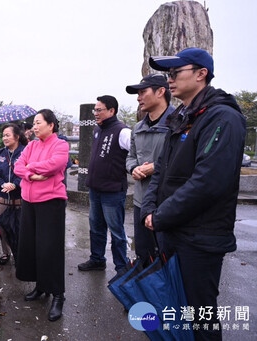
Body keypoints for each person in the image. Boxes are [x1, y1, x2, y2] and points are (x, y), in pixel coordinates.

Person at [141, 47, 246, 341]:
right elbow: (160, 170)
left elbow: (209, 182)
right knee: (176, 311)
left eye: (175, 73)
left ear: (201, 74)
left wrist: (160, 215)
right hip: (173, 231)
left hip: (200, 239)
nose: (169, 80)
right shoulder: (184, 117)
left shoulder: (222, 117)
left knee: (200, 317)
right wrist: (150, 208)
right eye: (167, 74)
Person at [13, 109, 69, 322]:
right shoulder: (32, 146)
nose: (34, 127)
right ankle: (41, 286)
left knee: (50, 248)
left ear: (50, 125)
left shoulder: (61, 145)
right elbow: (18, 166)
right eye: (33, 124)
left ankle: (58, 294)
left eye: (38, 123)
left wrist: (32, 167)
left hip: (50, 202)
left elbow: (55, 165)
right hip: (29, 202)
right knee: (32, 246)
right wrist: (30, 172)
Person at [77, 95, 131, 274]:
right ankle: (97, 259)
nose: (96, 113)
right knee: (96, 227)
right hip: (95, 188)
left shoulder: (123, 131)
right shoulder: (97, 130)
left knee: (116, 231)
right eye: (95, 110)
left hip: (113, 191)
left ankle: (122, 268)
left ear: (111, 111)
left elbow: (135, 155)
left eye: (99, 110)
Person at [125, 74, 175, 263]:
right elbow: (130, 157)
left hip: (167, 201)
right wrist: (133, 169)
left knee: (167, 256)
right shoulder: (137, 127)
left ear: (161, 91)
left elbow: (187, 160)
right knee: (144, 254)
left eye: (142, 92)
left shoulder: (178, 124)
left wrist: (156, 167)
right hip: (140, 200)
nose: (138, 98)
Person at [0, 123, 28, 265]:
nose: (4, 138)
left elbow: (27, 172)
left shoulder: (26, 152)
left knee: (21, 230)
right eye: (3, 135)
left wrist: (15, 184)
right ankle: (6, 253)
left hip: (20, 200)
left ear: (17, 137)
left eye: (7, 135)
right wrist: (2, 184)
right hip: (2, 199)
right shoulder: (0, 153)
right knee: (3, 228)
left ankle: (22, 255)